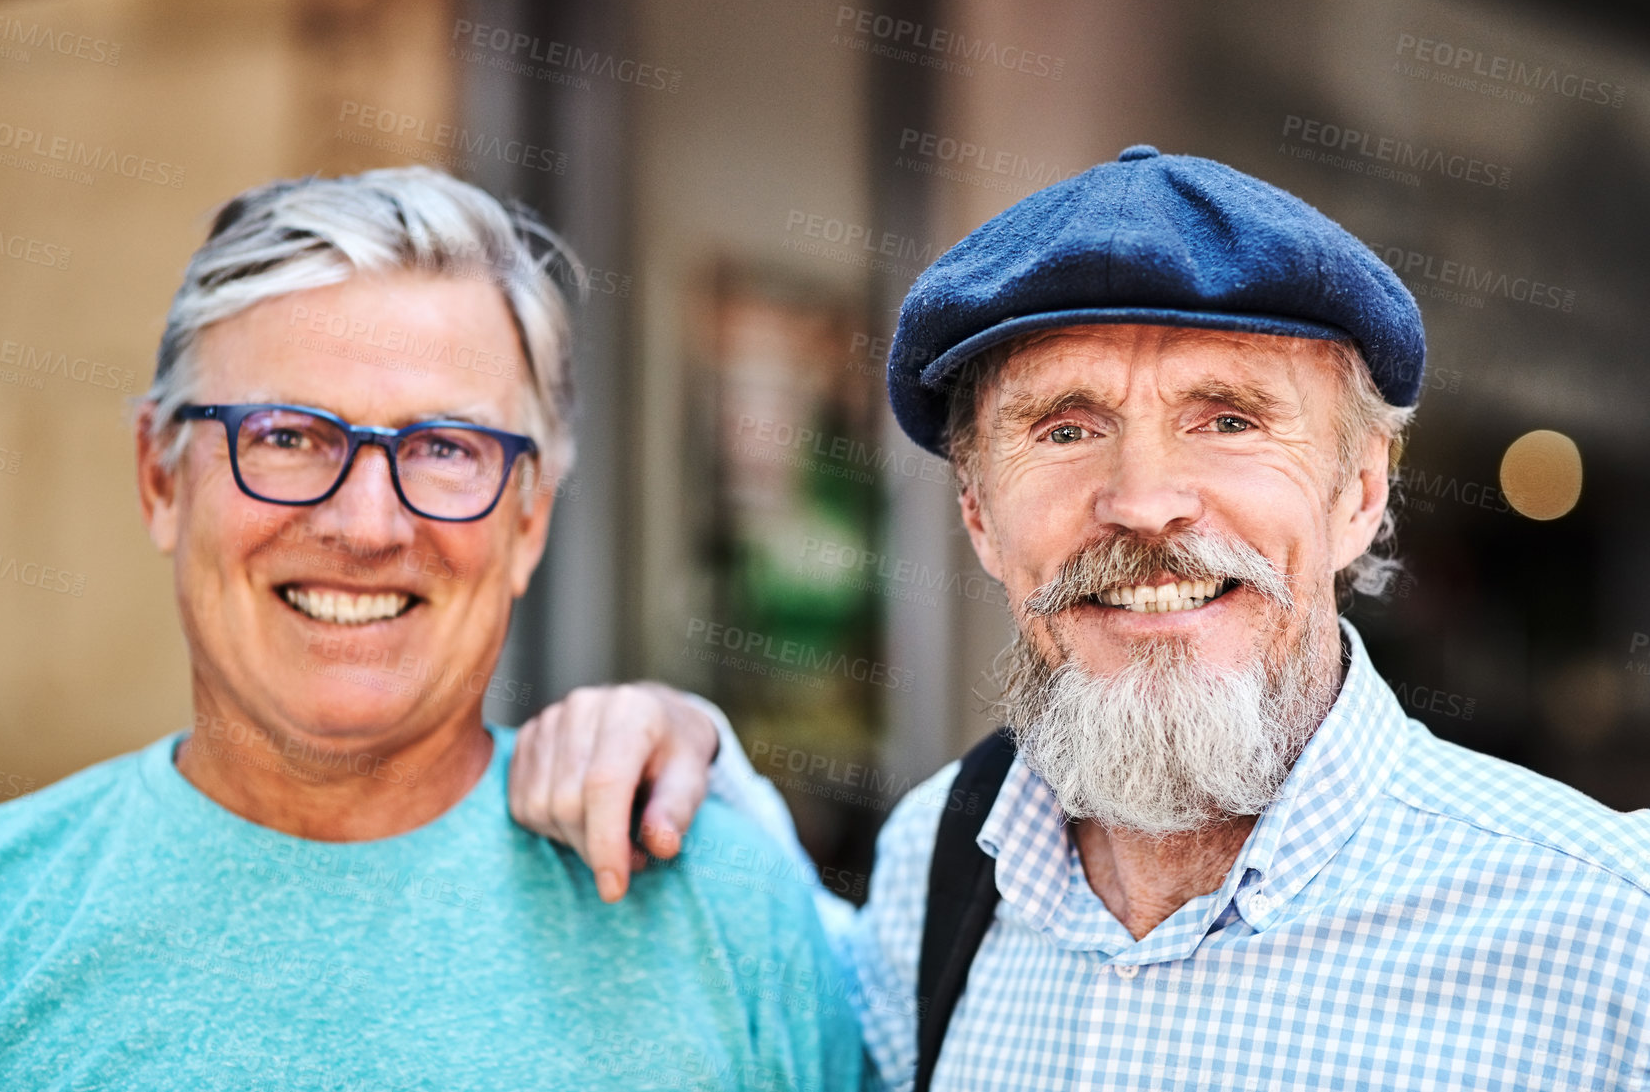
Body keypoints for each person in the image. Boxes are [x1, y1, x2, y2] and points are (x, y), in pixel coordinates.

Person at [508, 144, 1650, 1090]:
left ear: (1359, 491)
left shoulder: (1607, 935)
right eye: (1064, 427)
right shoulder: (935, 869)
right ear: (978, 515)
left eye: (1229, 419)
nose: (1144, 500)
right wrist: (666, 731)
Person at [0, 167, 860, 1091]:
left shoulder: (725, 914)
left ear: (530, 522)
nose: (366, 526)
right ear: (159, 480)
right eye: (287, 435)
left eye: (445, 448)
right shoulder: (7, 912)